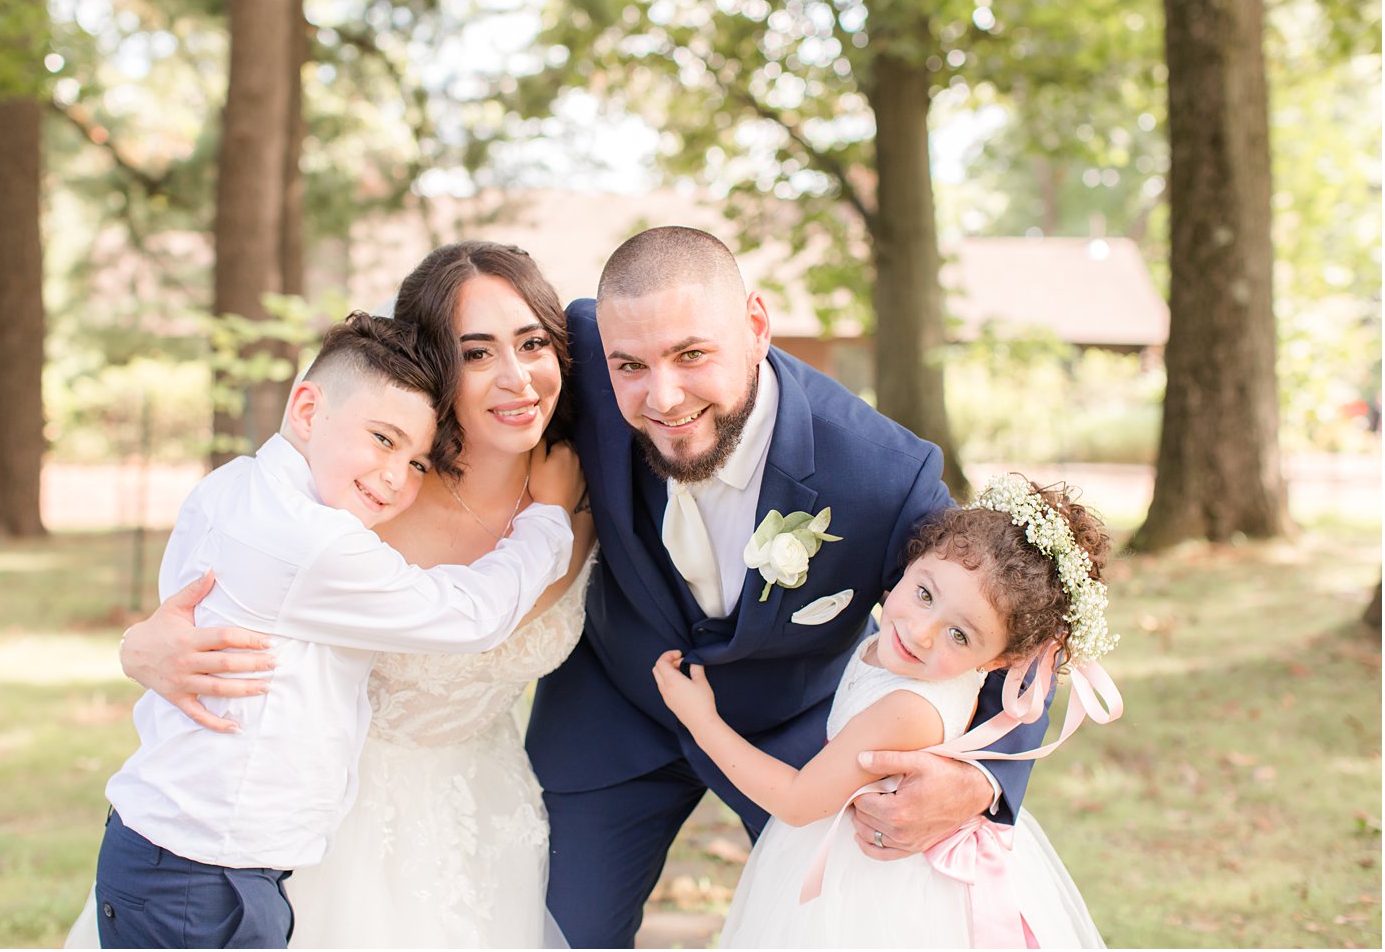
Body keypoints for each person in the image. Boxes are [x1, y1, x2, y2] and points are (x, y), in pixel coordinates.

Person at [527, 226, 1056, 947]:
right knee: (553, 931)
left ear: (755, 325)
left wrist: (984, 782)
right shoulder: (580, 346)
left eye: (691, 354)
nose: (664, 395)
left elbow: (1012, 622)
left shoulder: (880, 473)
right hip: (615, 707)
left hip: (794, 737)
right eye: (632, 365)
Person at [83, 243, 595, 948]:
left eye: (533, 341)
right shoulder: (342, 508)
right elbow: (468, 613)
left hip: (475, 813)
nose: (515, 376)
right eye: (476, 353)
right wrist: (139, 647)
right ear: (435, 368)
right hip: (271, 845)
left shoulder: (595, 474)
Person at [654, 476, 1119, 947]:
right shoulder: (908, 652)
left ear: (1000, 662)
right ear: (914, 560)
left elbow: (797, 802)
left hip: (876, 883)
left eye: (959, 635)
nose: (920, 632)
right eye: (924, 594)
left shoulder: (908, 708)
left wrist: (702, 721)